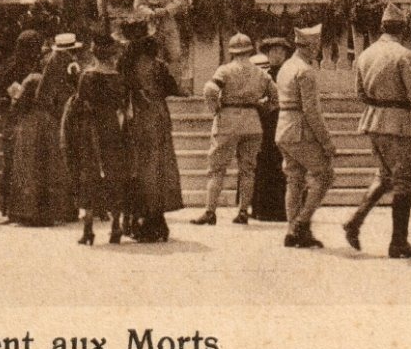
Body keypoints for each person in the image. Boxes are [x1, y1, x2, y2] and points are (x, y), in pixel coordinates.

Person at [341, 3, 411, 258]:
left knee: (385, 177)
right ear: (403, 28)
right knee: (405, 181)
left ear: (382, 27)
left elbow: (359, 93)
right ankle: (398, 242)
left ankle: (355, 222)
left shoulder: (365, 54)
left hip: (372, 120)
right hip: (397, 123)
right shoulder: (404, 55)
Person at [194, 32, 268, 227]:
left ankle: (210, 211)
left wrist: (215, 109)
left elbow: (210, 89)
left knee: (217, 168)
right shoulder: (261, 73)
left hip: (228, 118)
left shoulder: (225, 70)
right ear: (250, 50)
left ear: (232, 52)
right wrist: (261, 105)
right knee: (248, 170)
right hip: (252, 121)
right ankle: (243, 211)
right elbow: (275, 96)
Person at [6, 33, 79, 226]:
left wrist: (14, 97)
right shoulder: (69, 69)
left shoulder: (31, 79)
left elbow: (19, 104)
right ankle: (57, 209)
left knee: (29, 167)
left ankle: (28, 210)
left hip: (31, 124)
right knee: (51, 167)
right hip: (51, 122)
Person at [120, 23, 183, 242]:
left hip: (138, 118)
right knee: (159, 169)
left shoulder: (127, 64)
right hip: (159, 118)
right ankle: (158, 222)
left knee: (139, 169)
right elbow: (174, 88)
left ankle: (141, 221)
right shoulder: (157, 65)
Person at [64, 33, 129, 245]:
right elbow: (123, 105)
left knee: (89, 175)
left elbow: (81, 103)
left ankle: (88, 229)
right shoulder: (119, 77)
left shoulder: (88, 76)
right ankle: (116, 226)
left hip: (91, 129)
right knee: (115, 174)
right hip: (112, 127)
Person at [276, 24, 335, 249]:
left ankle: (293, 232)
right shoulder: (305, 71)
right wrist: (327, 142)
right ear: (310, 46)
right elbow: (311, 111)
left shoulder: (285, 67)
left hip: (283, 129)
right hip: (300, 131)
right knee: (325, 175)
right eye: (316, 46)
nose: (318, 50)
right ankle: (301, 223)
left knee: (295, 179)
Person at [0, 29, 45, 219]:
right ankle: (7, 204)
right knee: (11, 162)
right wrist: (12, 96)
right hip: (13, 118)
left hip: (33, 118)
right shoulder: (11, 67)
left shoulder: (39, 65)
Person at [133, 0, 188, 92]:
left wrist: (167, 10)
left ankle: (175, 87)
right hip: (152, 23)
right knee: (154, 54)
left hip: (169, 21)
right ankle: (155, 87)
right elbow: (138, 4)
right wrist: (150, 12)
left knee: (174, 53)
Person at [250, 43, 289, 222]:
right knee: (264, 163)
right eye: (273, 51)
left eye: (280, 52)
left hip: (282, 121)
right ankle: (260, 209)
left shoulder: (289, 73)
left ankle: (282, 210)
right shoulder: (261, 74)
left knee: (281, 164)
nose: (277, 55)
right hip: (265, 123)